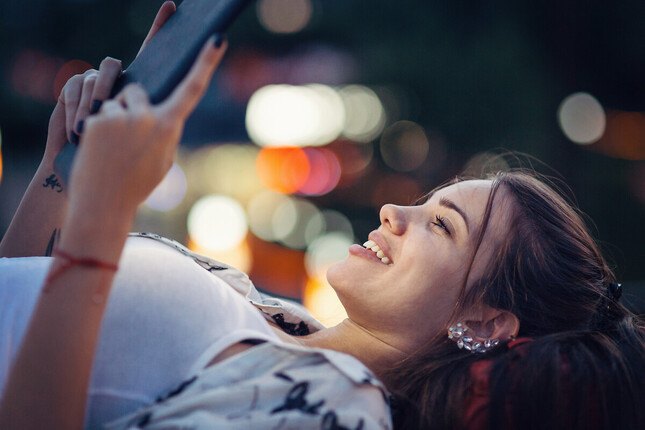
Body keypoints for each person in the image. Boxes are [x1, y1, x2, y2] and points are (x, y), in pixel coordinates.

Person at [1, 2, 644, 429]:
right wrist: (65, 168)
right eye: (424, 204)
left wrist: (104, 213)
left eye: (442, 226)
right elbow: (17, 300)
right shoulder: (285, 319)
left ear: (483, 321)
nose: (395, 211)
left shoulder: (340, 411)